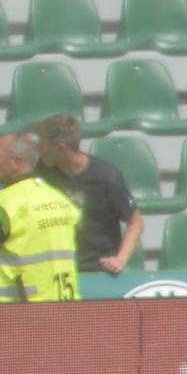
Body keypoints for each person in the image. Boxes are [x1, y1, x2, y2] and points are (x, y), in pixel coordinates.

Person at [0, 133, 83, 302]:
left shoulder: (3, 203)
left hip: (23, 311)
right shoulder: (60, 199)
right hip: (68, 304)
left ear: (16, 162)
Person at [36, 113, 143, 275]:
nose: (39, 149)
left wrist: (120, 260)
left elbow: (136, 222)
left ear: (61, 147)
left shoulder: (106, 177)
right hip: (57, 269)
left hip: (96, 270)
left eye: (42, 143)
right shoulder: (42, 171)